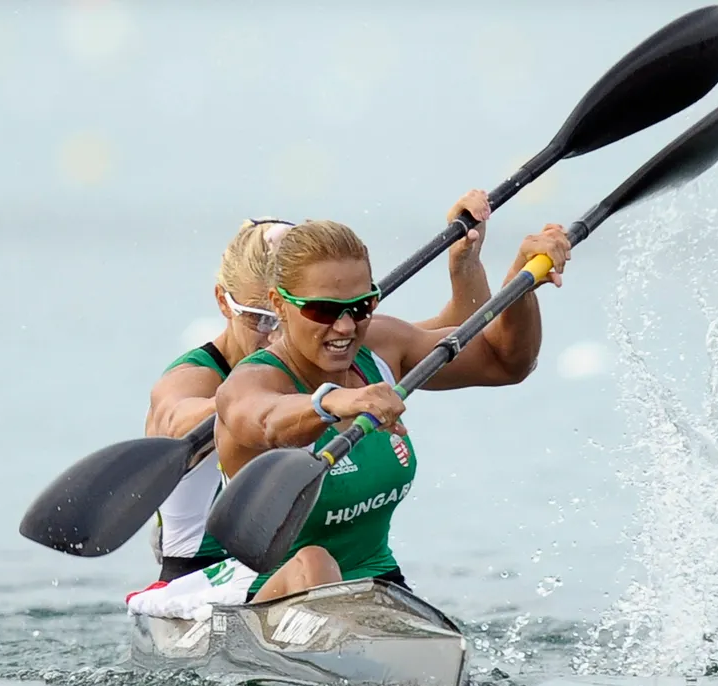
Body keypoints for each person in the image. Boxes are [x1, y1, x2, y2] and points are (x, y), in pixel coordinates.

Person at [129, 191, 495, 611]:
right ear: (224, 303)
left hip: (304, 570)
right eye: (261, 318)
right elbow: (177, 418)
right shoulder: (196, 375)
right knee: (312, 563)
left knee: (318, 564)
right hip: (206, 580)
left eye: (305, 315)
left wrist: (464, 261)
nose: (276, 334)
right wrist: (249, 406)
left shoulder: (333, 352)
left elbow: (454, 339)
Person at [202, 217, 570, 606]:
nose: (345, 326)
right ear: (279, 304)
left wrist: (522, 282)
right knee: (313, 560)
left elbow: (504, 362)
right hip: (272, 596)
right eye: (323, 311)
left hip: (378, 585)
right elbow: (265, 420)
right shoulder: (251, 382)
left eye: (360, 307)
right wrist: (335, 401)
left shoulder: (381, 347)